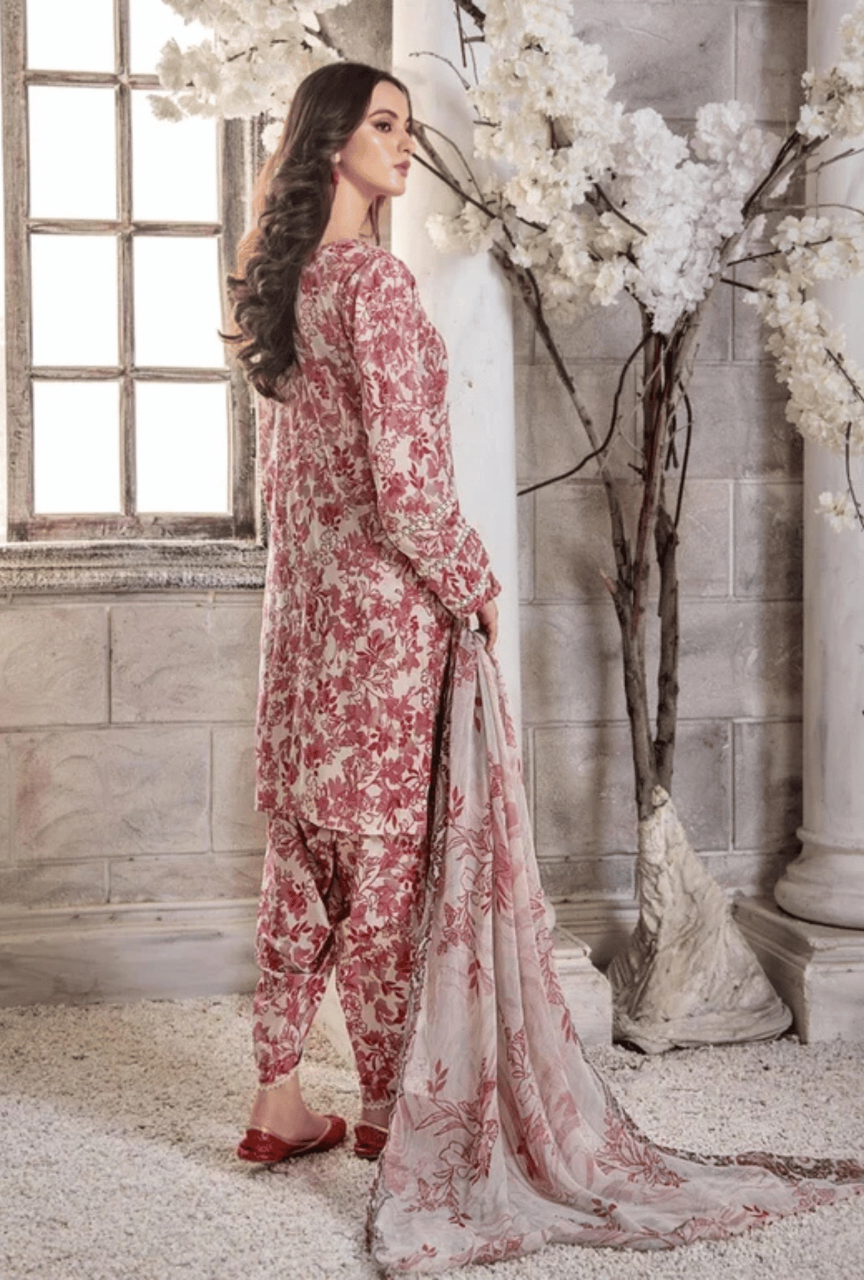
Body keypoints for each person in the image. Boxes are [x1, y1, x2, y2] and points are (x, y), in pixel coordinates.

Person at [225, 61, 500, 1166]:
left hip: (298, 626)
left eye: (409, 124)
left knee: (301, 858)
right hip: (381, 626)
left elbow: (296, 483)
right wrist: (474, 583)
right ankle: (387, 1103)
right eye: (384, 123)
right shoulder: (375, 287)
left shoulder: (276, 281)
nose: (404, 143)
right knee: (384, 871)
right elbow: (409, 485)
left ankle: (277, 1095)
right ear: (332, 138)